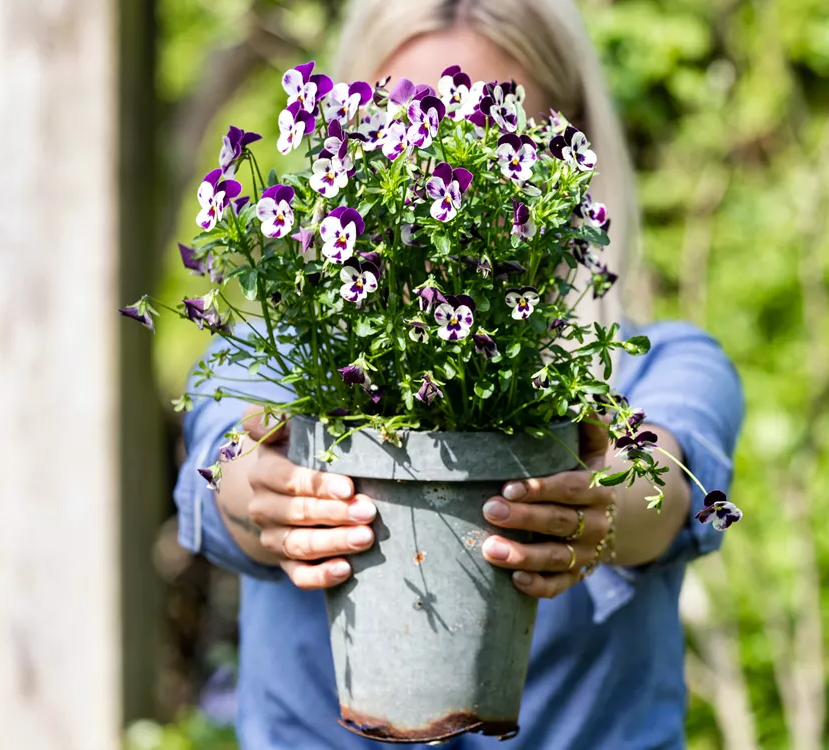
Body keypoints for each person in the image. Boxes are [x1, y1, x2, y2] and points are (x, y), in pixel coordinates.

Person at [173, 1, 744, 747]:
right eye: (397, 128)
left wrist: (597, 506)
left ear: (569, 152)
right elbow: (225, 458)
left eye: (485, 127)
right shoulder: (277, 359)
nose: (435, 161)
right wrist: (260, 496)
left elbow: (665, 483)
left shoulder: (662, 363)